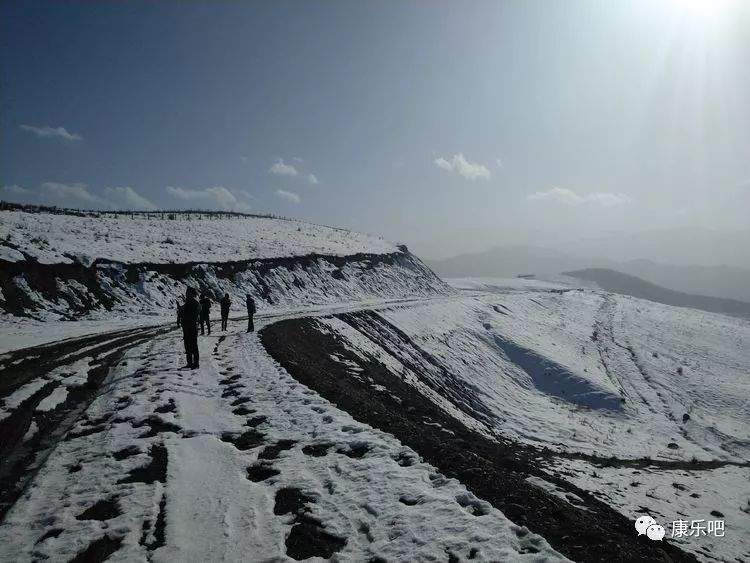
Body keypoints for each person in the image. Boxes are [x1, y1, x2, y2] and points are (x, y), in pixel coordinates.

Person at [181, 287, 200, 369]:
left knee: (193, 346)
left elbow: (195, 316)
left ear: (192, 294)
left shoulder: (196, 303)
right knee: (187, 345)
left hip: (192, 327)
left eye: (188, 293)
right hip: (186, 327)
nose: (186, 294)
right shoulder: (187, 303)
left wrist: (184, 315)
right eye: (186, 293)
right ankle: (189, 363)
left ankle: (195, 364)